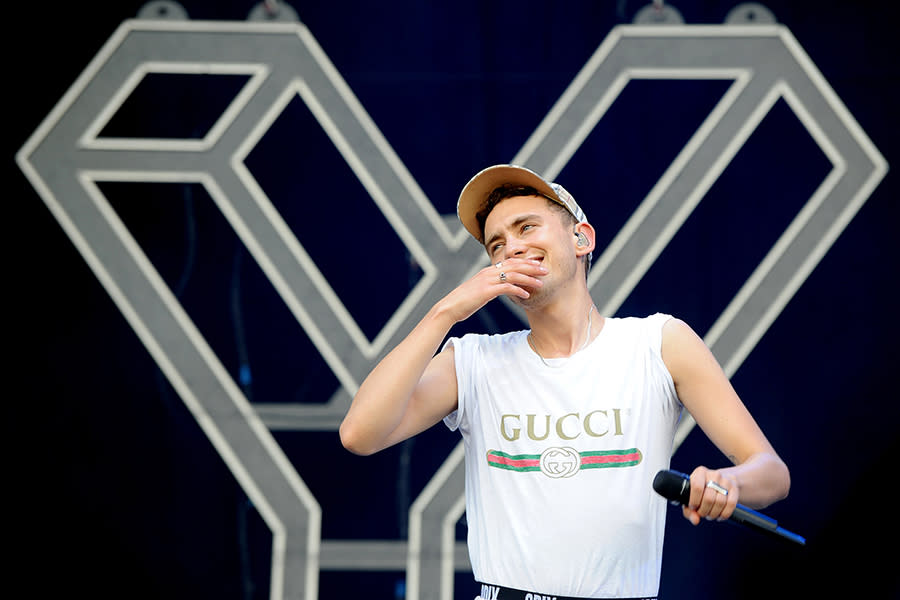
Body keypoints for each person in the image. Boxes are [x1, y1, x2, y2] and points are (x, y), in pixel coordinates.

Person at [340, 164, 791, 600]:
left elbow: (770, 472)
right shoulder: (474, 360)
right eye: (496, 245)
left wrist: (729, 482)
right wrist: (447, 312)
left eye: (527, 228)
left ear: (581, 238)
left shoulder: (657, 342)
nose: (511, 247)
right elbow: (360, 433)